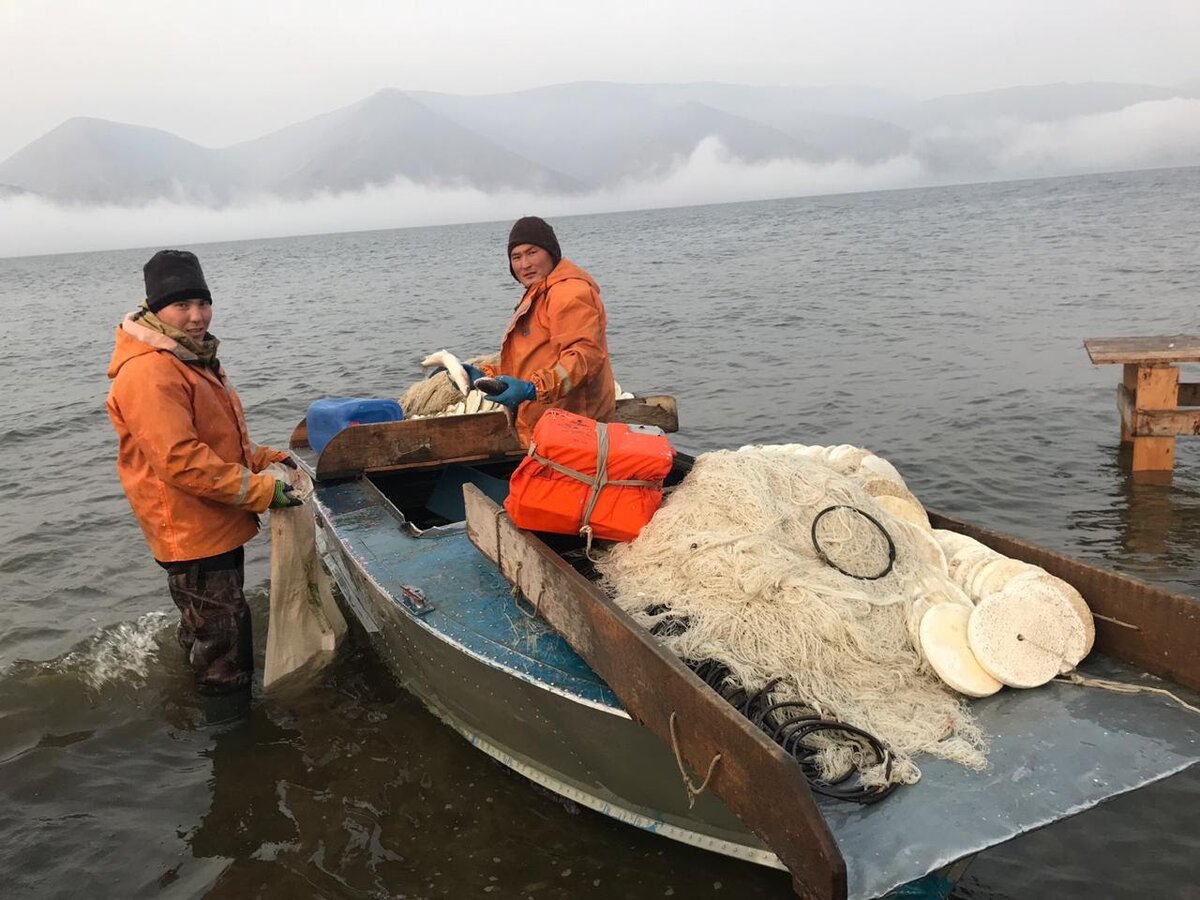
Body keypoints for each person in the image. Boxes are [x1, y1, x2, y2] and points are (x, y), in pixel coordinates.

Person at [106, 249, 302, 694]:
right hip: (190, 531)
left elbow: (218, 441)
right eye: (182, 306)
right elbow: (181, 460)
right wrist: (263, 493)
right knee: (224, 648)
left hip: (214, 520)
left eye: (203, 303)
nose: (197, 317)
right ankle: (231, 742)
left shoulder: (191, 357)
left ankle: (186, 699)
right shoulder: (149, 372)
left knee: (210, 624)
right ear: (156, 308)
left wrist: (268, 459)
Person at [472, 216, 616, 444]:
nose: (524, 264)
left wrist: (533, 389)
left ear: (551, 253)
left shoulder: (568, 293)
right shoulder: (539, 293)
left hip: (575, 433)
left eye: (532, 252)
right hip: (550, 433)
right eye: (516, 257)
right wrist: (485, 375)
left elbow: (584, 359)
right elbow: (534, 361)